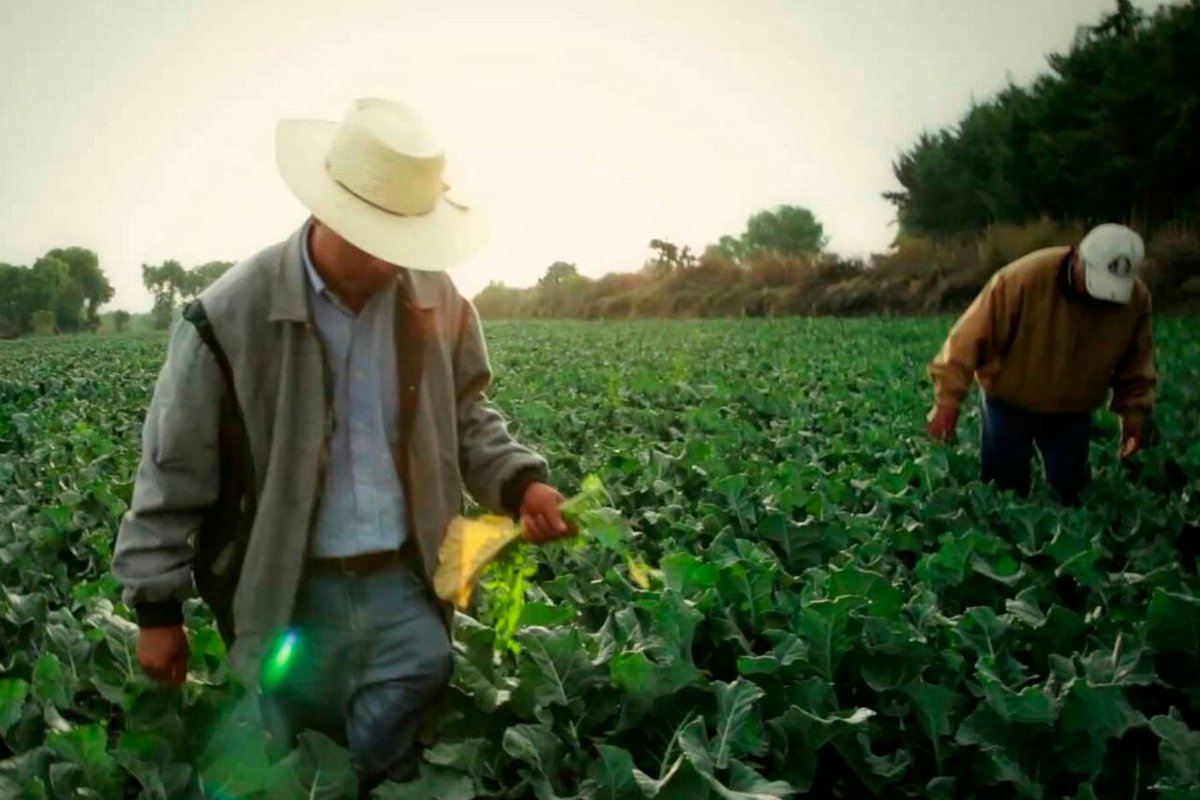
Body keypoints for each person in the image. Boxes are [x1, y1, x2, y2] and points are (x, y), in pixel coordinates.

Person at [111, 98, 574, 792]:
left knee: (393, 756)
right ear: (329, 211)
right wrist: (156, 610)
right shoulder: (228, 316)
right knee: (293, 764)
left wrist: (520, 482)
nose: (395, 257)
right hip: (286, 593)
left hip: (403, 586)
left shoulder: (436, 299)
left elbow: (468, 415)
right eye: (380, 237)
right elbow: (172, 471)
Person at [924, 223, 1156, 504]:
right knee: (1003, 492)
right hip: (1008, 402)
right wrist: (947, 401)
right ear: (1079, 259)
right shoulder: (1022, 279)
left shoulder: (1135, 301)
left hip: (1073, 410)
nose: (1100, 296)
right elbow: (967, 340)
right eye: (1095, 282)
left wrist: (1134, 414)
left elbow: (1136, 363)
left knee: (1070, 494)